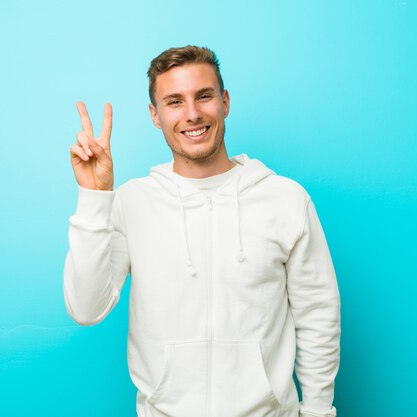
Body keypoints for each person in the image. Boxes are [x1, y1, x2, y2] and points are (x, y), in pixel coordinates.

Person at [63, 45, 341, 417]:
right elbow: (86, 308)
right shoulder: (131, 203)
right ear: (155, 115)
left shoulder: (285, 199)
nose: (192, 114)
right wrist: (95, 198)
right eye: (174, 101)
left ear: (224, 102)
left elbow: (318, 315)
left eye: (204, 96)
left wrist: (319, 412)